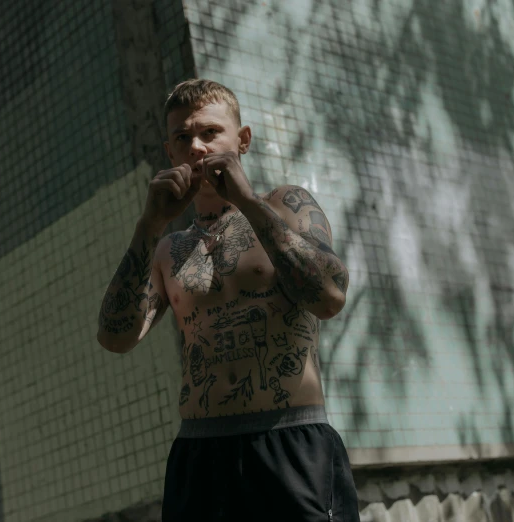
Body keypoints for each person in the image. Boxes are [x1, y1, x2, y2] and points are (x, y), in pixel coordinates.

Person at [97, 79, 358, 521]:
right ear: (170, 152)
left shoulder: (288, 206)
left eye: (210, 133)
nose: (196, 147)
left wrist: (247, 201)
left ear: (243, 140)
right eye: (183, 137)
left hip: (289, 445)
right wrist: (149, 225)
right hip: (200, 455)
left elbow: (329, 298)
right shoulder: (167, 250)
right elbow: (115, 337)